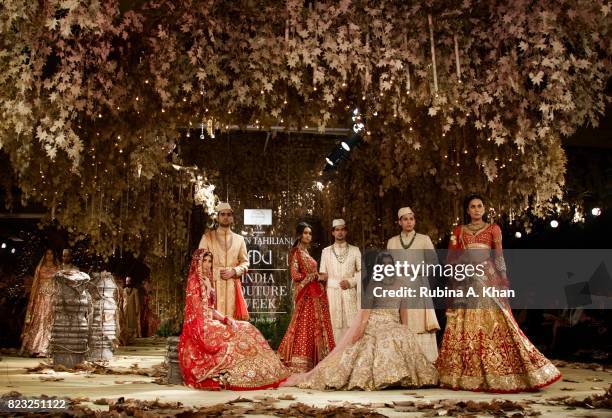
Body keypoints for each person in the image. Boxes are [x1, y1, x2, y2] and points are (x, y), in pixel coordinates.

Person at [436, 193, 562, 392]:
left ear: (484, 209)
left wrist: (503, 278)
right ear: (467, 210)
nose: (476, 209)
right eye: (472, 206)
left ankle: (501, 369)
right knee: (465, 322)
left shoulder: (494, 229)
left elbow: (499, 255)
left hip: (488, 278)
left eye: (479, 206)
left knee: (496, 320)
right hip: (467, 279)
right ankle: (468, 372)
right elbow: (451, 259)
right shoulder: (459, 231)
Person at [282, 252, 438, 390]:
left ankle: (405, 377)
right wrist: (359, 331)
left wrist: (405, 329)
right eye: (383, 266)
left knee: (402, 335)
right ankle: (385, 378)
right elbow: (365, 314)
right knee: (383, 340)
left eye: (390, 265)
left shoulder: (402, 284)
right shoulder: (374, 285)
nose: (387, 269)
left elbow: (404, 312)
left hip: (394, 323)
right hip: (374, 323)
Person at [178, 249, 289, 390]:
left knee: (246, 327)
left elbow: (210, 310)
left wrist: (225, 319)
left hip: (210, 322)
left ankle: (265, 372)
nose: (206, 264)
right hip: (199, 329)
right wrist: (208, 287)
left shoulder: (207, 279)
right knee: (233, 337)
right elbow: (200, 310)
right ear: (197, 263)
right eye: (203, 261)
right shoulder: (194, 281)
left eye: (209, 261)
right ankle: (241, 375)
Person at [277, 222, 335, 373]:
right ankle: (300, 364)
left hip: (314, 294)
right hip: (306, 295)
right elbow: (295, 275)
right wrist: (314, 276)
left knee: (313, 327)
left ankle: (316, 361)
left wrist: (318, 277)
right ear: (299, 235)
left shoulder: (306, 253)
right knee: (303, 327)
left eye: (310, 233)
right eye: (305, 233)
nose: (308, 236)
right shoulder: (296, 252)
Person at [386, 207, 440, 362]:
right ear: (399, 222)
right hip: (399, 288)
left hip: (419, 285)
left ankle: (427, 363)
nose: (408, 222)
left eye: (411, 219)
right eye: (405, 219)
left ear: (415, 221)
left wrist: (414, 269)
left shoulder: (424, 239)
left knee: (420, 324)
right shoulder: (392, 242)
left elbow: (434, 264)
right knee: (403, 324)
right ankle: (406, 364)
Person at [198, 202, 249, 320]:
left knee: (232, 322)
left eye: (228, 214)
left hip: (232, 286)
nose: (226, 217)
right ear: (217, 217)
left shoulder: (239, 240)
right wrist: (206, 284)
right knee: (213, 322)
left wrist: (235, 271)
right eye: (222, 214)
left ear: (232, 218)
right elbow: (199, 262)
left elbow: (245, 262)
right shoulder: (207, 237)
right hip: (212, 286)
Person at [320, 218, 361, 342]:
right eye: (337, 230)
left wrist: (350, 282)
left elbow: (362, 272)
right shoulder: (326, 251)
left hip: (350, 292)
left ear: (346, 232)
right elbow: (323, 273)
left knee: (352, 324)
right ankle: (334, 359)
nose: (340, 232)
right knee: (334, 325)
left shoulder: (355, 250)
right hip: (332, 293)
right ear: (333, 232)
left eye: (342, 229)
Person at [20, 248, 59, 357]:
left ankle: (47, 348)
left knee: (49, 321)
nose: (49, 255)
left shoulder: (57, 268)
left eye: (51, 253)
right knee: (38, 320)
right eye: (47, 253)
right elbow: (35, 284)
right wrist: (34, 298)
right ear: (45, 255)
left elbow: (58, 284)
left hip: (52, 298)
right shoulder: (40, 268)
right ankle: (35, 347)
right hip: (40, 299)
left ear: (53, 256)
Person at [122, 276, 141, 344]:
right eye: (127, 281)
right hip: (125, 309)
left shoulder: (135, 290)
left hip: (132, 309)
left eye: (129, 281)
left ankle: (132, 339)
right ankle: (126, 339)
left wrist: (137, 309)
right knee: (125, 324)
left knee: (132, 324)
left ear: (131, 282)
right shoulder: (123, 290)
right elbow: (122, 300)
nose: (128, 282)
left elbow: (137, 301)